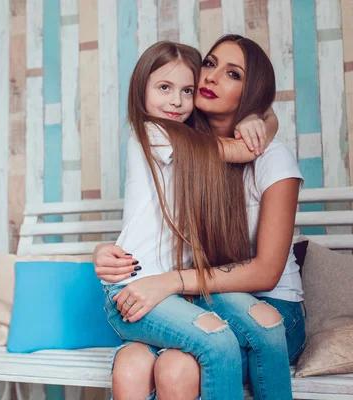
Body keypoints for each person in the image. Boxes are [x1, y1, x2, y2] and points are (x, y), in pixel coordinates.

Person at [96, 35, 305, 400]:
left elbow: (266, 271)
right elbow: (236, 151)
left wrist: (262, 117)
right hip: (184, 292)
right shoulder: (169, 137)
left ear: (251, 91)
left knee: (240, 339)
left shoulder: (252, 156)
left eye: (232, 74)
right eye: (209, 65)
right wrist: (106, 250)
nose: (210, 78)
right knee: (160, 361)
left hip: (211, 293)